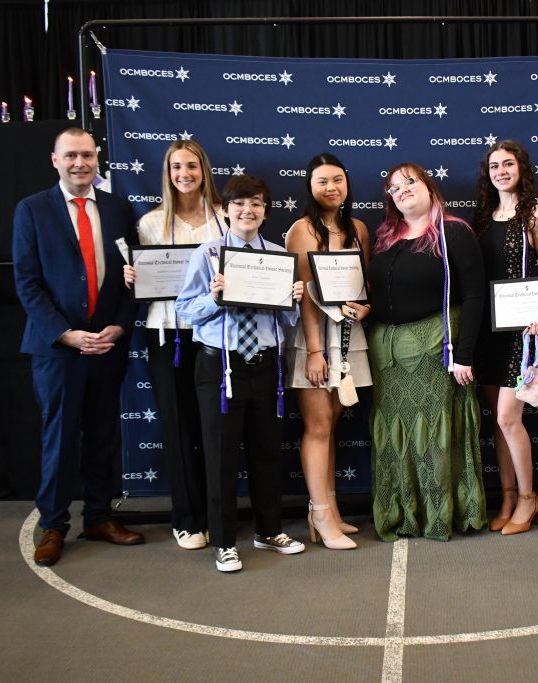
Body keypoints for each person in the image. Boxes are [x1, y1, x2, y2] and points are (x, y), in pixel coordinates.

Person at [13, 127, 144, 567]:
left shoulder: (118, 209)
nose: (80, 164)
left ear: (97, 159)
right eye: (70, 156)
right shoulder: (32, 210)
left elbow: (134, 278)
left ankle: (100, 517)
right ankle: (53, 525)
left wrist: (119, 328)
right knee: (60, 438)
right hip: (59, 349)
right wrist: (65, 334)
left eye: (87, 155)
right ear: (55, 160)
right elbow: (27, 283)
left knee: (103, 435)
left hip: (108, 346)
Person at [175, 174, 306, 571]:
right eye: (239, 204)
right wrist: (215, 297)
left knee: (267, 452)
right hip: (221, 365)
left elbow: (286, 323)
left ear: (266, 211)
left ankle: (268, 531)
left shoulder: (277, 254)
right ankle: (224, 541)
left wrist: (293, 300)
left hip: (265, 364)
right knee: (221, 456)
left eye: (256, 204)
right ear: (226, 210)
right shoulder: (208, 253)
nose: (247, 211)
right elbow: (185, 308)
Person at [367, 163, 487, 541]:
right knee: (395, 437)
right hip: (388, 357)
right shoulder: (386, 236)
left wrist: (464, 353)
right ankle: (404, 514)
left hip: (436, 349)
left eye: (409, 183)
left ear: (427, 186)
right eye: (393, 188)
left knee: (434, 436)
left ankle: (440, 513)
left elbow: (474, 294)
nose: (401, 191)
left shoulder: (453, 231)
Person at [123, 140, 225, 550]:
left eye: (192, 166)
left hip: (217, 335)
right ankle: (187, 519)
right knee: (179, 426)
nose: (184, 173)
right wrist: (136, 278)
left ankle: (219, 516)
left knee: (215, 428)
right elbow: (148, 282)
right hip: (168, 333)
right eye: (176, 167)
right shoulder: (150, 224)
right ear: (167, 173)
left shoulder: (224, 219)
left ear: (204, 170)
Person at [285, 153, 371, 550]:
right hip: (315, 338)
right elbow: (304, 297)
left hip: (349, 336)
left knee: (333, 422)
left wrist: (365, 306)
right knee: (317, 425)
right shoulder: (302, 229)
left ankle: (329, 510)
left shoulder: (358, 229)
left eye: (337, 179)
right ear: (310, 186)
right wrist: (315, 352)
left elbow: (362, 287)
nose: (331, 187)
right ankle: (319, 512)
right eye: (322, 181)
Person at [473, 141, 538, 535]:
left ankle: (528, 497)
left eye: (508, 164)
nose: (501, 171)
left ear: (522, 168)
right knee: (497, 421)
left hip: (520, 332)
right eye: (494, 165)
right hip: (487, 331)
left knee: (510, 417)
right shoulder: (484, 218)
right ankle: (507, 496)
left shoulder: (536, 216)